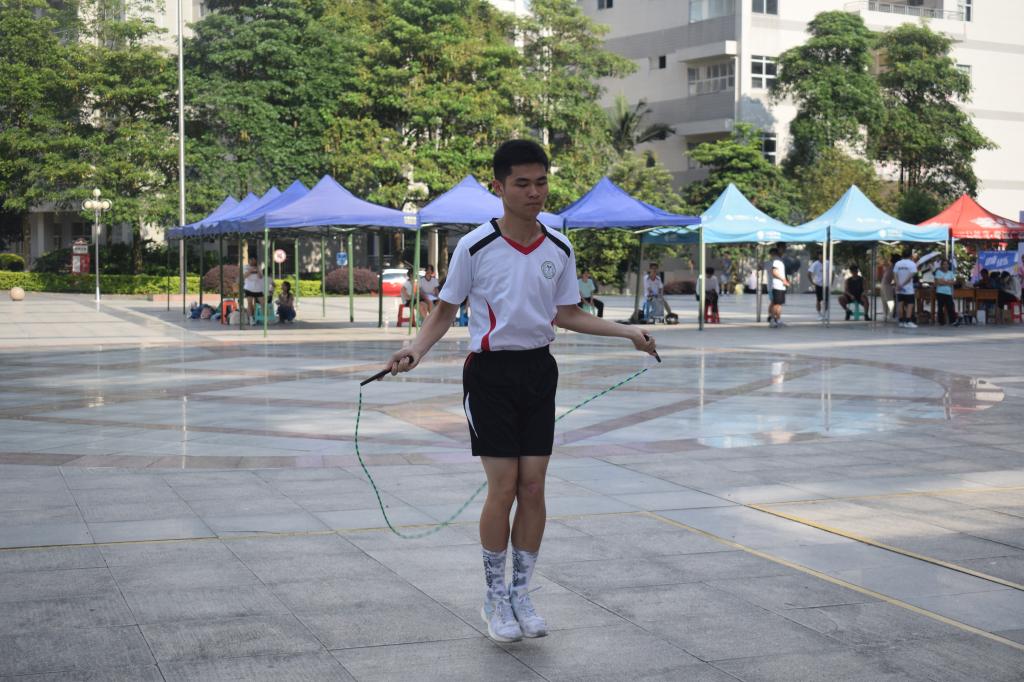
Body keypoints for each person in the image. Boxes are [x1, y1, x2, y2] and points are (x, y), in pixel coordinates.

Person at [383, 140, 657, 644]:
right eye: (522, 184)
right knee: (504, 486)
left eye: (541, 182)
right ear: (500, 187)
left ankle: (521, 593)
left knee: (534, 487)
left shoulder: (559, 247)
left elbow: (567, 314)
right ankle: (494, 596)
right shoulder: (475, 246)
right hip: (489, 374)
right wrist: (414, 349)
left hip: (538, 371)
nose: (535, 192)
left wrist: (628, 332)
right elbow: (445, 310)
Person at [893, 248, 918, 328]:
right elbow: (911, 276)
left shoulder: (897, 264)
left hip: (899, 288)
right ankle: (908, 321)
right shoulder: (912, 264)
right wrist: (903, 284)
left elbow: (895, 274)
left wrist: (898, 284)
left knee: (900, 304)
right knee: (910, 304)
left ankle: (901, 321)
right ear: (910, 255)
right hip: (908, 289)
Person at [932, 258, 959, 326]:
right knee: (940, 307)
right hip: (940, 292)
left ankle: (952, 321)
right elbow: (938, 282)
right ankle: (941, 321)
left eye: (946, 264)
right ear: (941, 265)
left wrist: (944, 281)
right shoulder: (938, 272)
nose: (945, 265)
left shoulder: (950, 273)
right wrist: (948, 282)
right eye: (944, 264)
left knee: (950, 307)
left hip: (948, 292)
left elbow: (953, 282)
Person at [768, 246, 788, 328]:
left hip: (781, 286)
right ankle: (773, 320)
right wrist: (783, 280)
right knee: (776, 304)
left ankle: (778, 320)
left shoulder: (779, 261)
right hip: (777, 285)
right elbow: (774, 272)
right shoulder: (776, 261)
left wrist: (784, 280)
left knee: (779, 304)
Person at [808, 251, 829, 320]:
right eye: (820, 255)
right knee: (818, 300)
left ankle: (824, 314)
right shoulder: (815, 264)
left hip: (826, 285)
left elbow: (833, 272)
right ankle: (819, 314)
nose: (821, 256)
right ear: (818, 256)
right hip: (818, 284)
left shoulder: (828, 263)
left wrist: (830, 282)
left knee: (826, 300)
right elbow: (809, 273)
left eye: (823, 255)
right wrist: (812, 282)